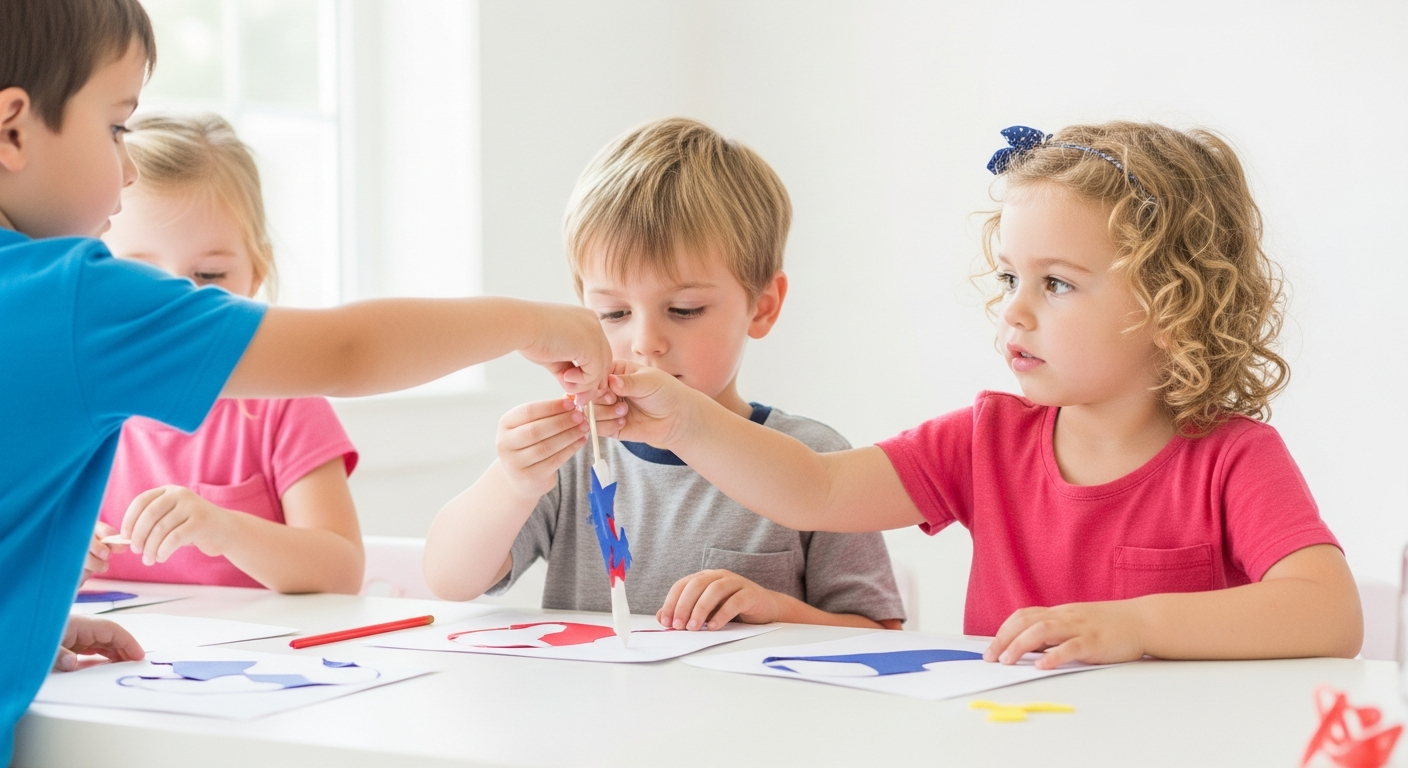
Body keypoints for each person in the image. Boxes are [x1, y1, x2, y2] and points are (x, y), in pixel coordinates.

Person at [0, 1, 609, 761]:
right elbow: (348, 350)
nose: (125, 165)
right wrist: (532, 321)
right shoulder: (73, 299)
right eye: (116, 126)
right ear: (14, 129)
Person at [605, 121, 1362, 665]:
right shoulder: (984, 441)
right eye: (1009, 278)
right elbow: (818, 489)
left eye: (1056, 283)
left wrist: (1135, 626)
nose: (1013, 310)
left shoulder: (1232, 459)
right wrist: (685, 421)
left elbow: (1328, 612)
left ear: (1171, 307)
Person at [424, 118, 905, 631]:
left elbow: (880, 634)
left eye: (685, 309)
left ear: (762, 307)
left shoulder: (815, 461)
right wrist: (514, 481)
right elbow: (449, 580)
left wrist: (778, 612)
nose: (645, 341)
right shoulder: (577, 454)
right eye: (613, 314)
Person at [78, 114, 363, 593]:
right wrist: (57, 555)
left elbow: (340, 574)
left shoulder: (287, 403)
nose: (180, 304)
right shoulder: (71, 407)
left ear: (255, 273)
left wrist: (224, 530)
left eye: (210, 276)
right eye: (139, 274)